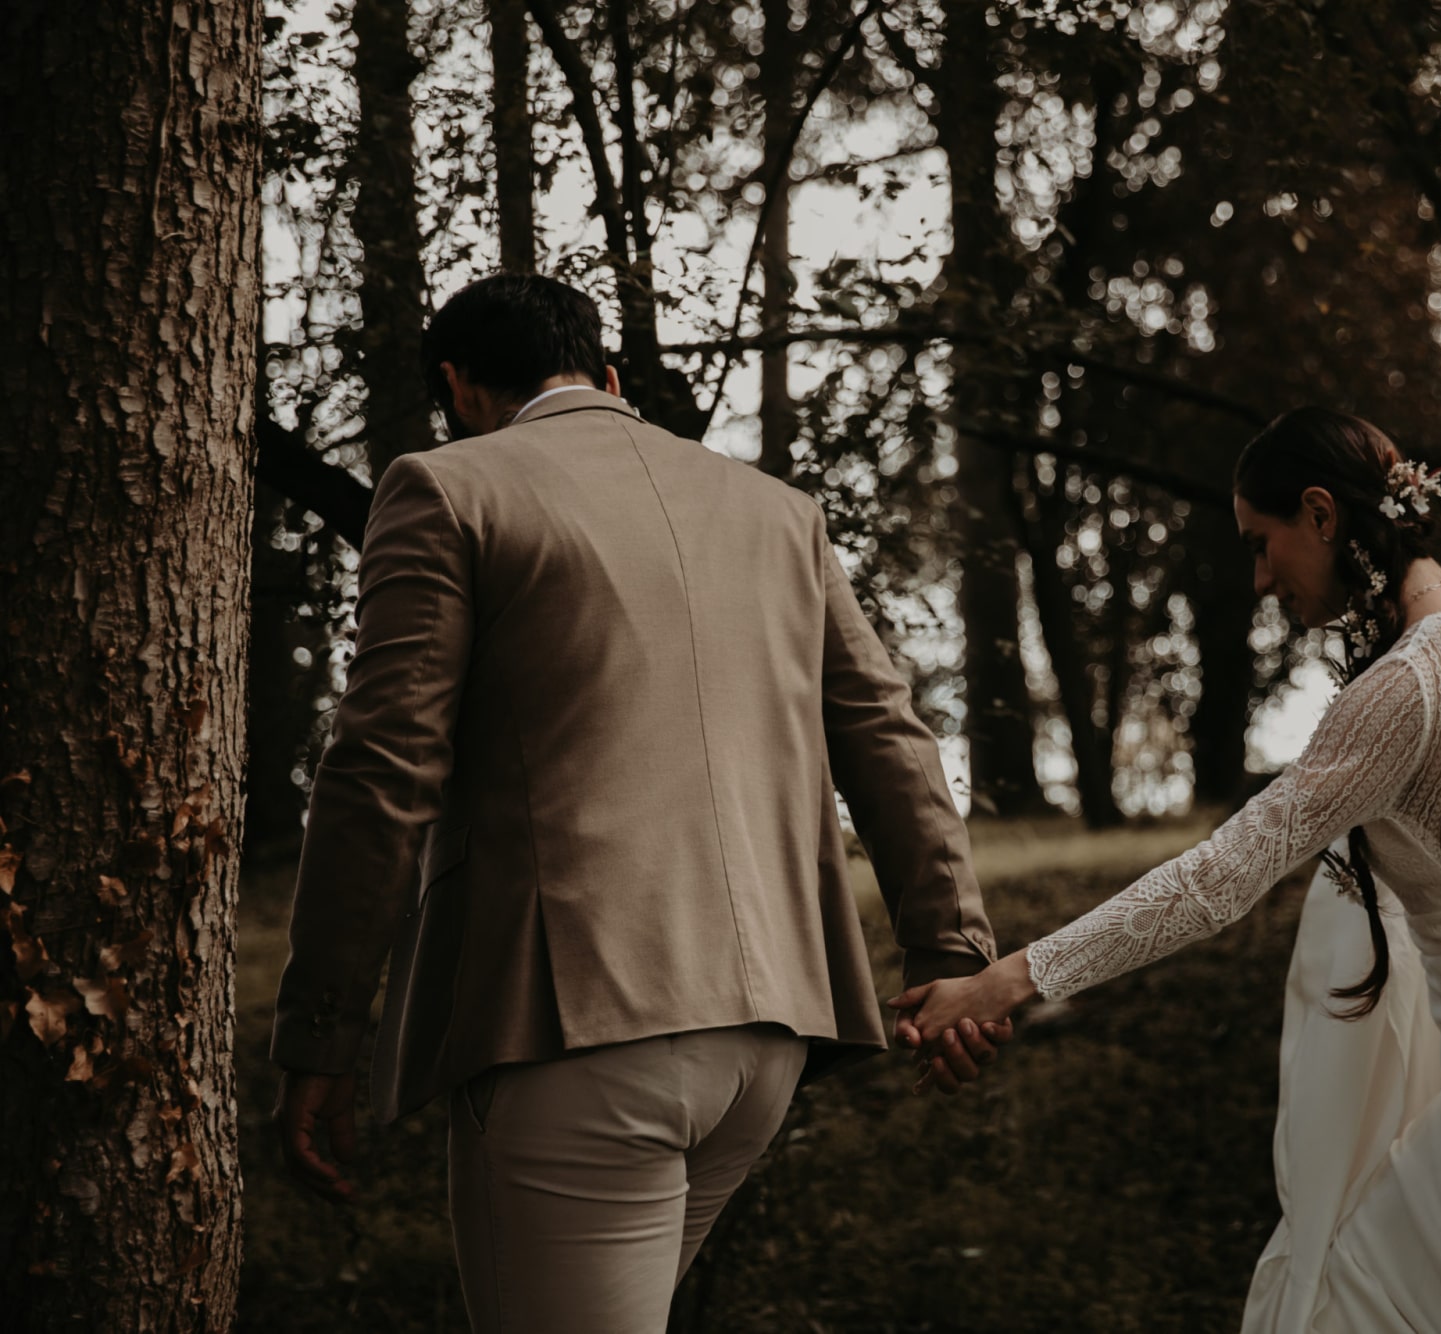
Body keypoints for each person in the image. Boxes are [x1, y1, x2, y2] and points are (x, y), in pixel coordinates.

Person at [269, 274, 1008, 1332]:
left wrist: (322, 1033)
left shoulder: (445, 489)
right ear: (609, 377)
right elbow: (890, 739)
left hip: (573, 1028)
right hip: (763, 1040)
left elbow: (382, 769)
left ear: (458, 387)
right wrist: (949, 953)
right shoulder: (777, 512)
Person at [893, 407, 1441, 1331]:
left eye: (1261, 544)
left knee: (1358, 1303)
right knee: (1363, 1287)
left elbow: (1219, 877)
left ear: (1321, 514)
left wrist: (1006, 980)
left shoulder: (1410, 682)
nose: (1261, 577)